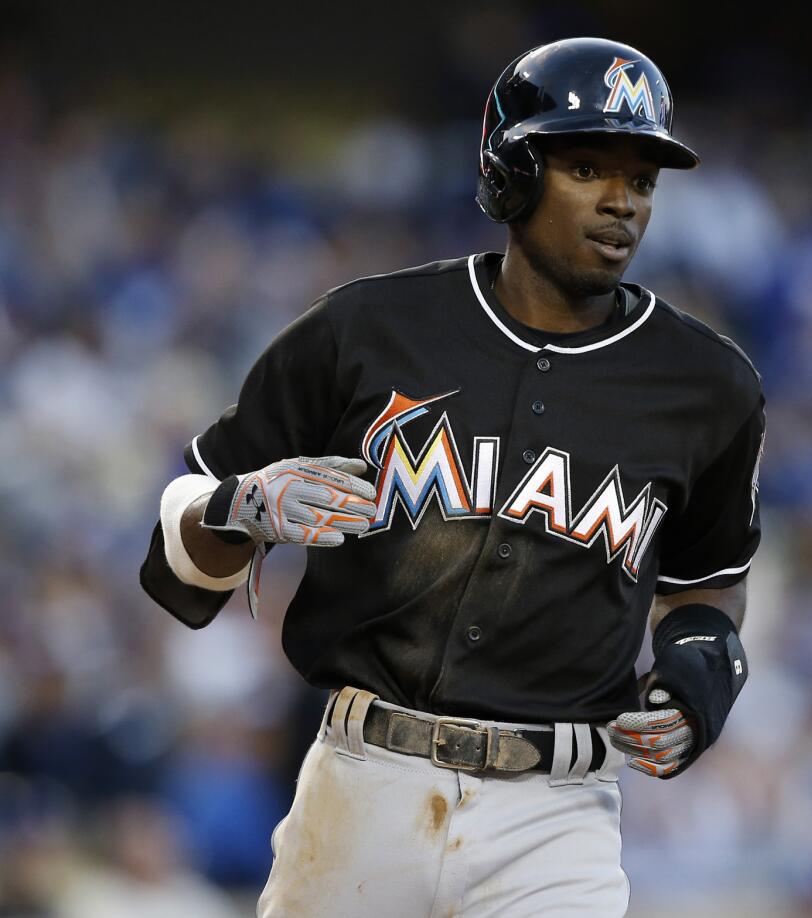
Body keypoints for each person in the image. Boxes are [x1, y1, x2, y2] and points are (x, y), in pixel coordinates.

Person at [140, 36, 764, 917]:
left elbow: (708, 587)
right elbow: (181, 531)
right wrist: (241, 506)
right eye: (587, 167)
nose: (622, 202)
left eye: (644, 180)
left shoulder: (709, 384)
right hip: (363, 789)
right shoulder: (368, 327)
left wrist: (701, 668)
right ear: (512, 172)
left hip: (557, 814)